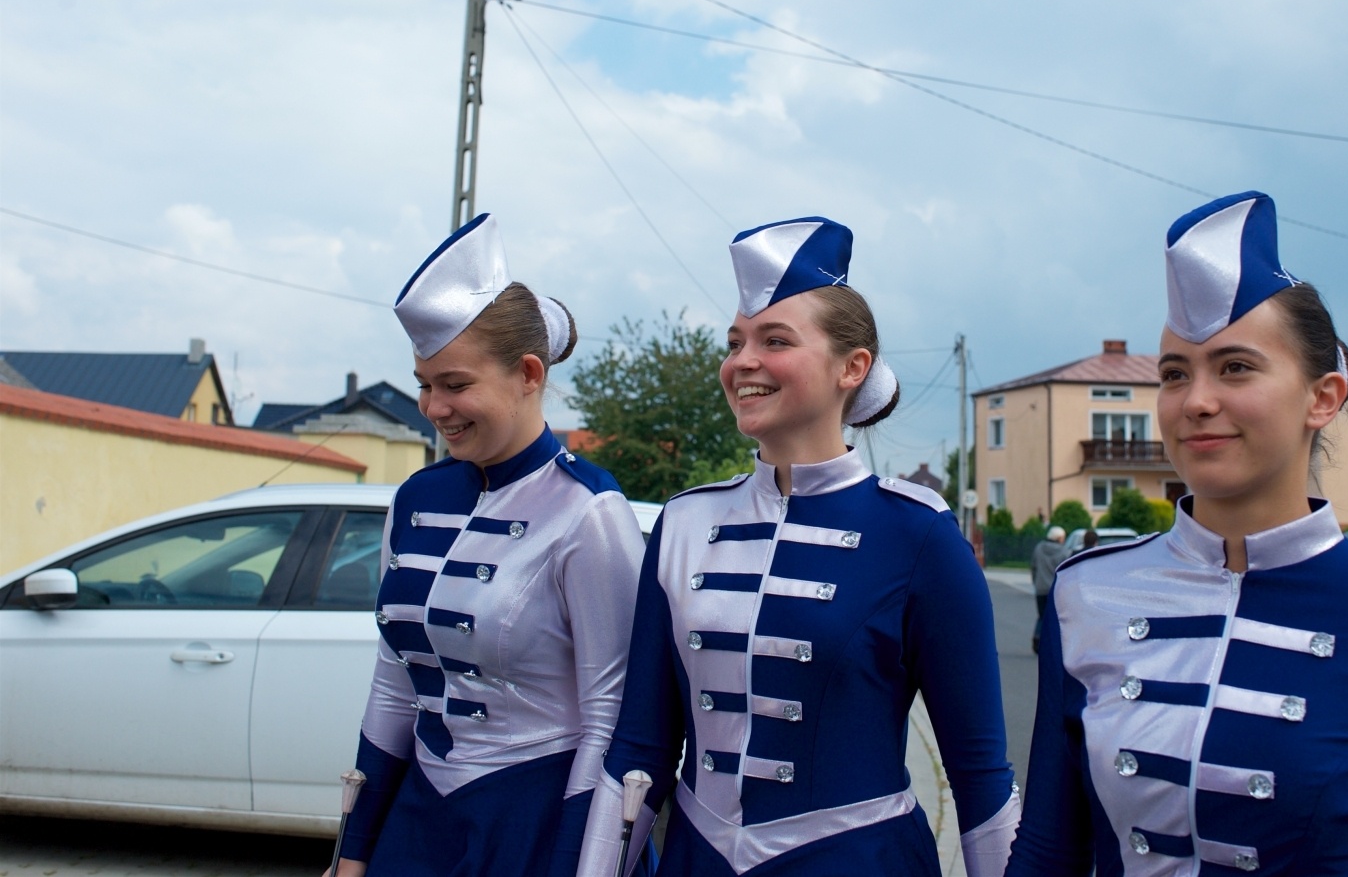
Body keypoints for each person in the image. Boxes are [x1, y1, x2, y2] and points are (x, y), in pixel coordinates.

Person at [1005, 192, 1348, 876]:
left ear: (1324, 396)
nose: (1196, 401)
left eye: (1235, 367)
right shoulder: (1086, 595)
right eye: (1174, 374)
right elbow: (1050, 847)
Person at [601, 216, 1020, 877]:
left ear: (852, 367)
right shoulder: (683, 524)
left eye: (775, 340)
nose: (743, 361)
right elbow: (639, 746)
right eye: (736, 341)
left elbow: (979, 776)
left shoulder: (918, 533)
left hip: (860, 859)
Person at [327, 214, 646, 877]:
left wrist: (578, 865)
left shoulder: (590, 511)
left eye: (456, 384)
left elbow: (610, 717)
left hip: (536, 818)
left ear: (528, 373)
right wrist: (353, 850)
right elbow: (394, 685)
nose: (434, 406)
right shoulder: (415, 498)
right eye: (424, 383)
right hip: (421, 817)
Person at [1030, 527, 1069, 653]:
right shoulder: (1064, 552)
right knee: (1054, 617)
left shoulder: (1039, 548)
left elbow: (1033, 566)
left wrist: (1036, 582)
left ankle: (1037, 637)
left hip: (1040, 588)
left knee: (1041, 615)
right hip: (1055, 589)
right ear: (1059, 538)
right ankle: (1050, 643)